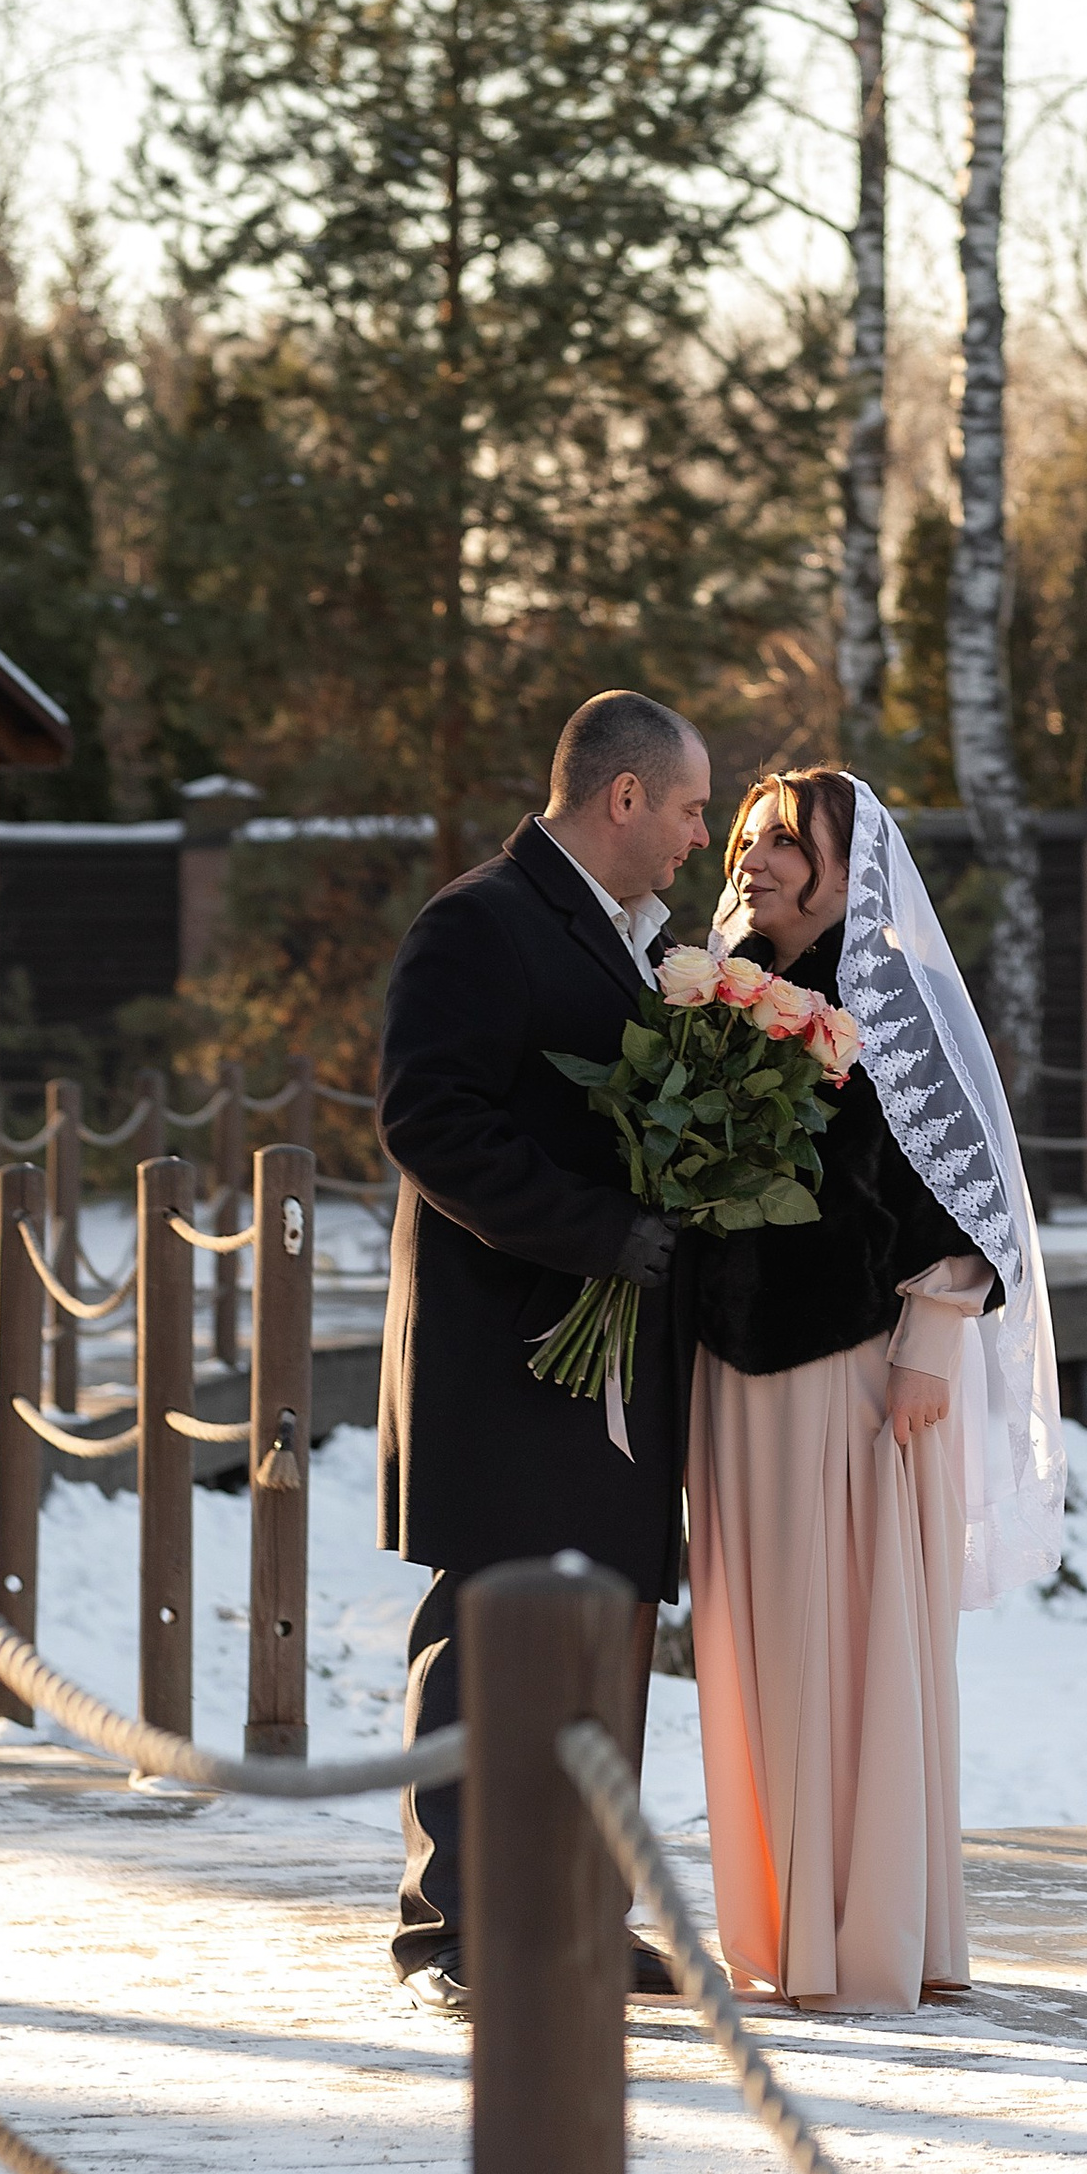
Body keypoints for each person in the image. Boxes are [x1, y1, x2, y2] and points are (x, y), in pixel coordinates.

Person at [686, 766, 1065, 2010]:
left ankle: (871, 1936)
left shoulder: (888, 999)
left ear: (848, 871)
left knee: (856, 1648)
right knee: (757, 1649)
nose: (753, 859)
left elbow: (970, 1198)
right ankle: (783, 1931)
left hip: (857, 1376)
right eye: (747, 838)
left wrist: (930, 1346)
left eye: (786, 842)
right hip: (732, 1378)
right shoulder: (717, 991)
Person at [376, 690, 713, 2011]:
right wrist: (601, 1234)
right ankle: (449, 1931)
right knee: (484, 1633)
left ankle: (577, 1911)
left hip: (618, 1361)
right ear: (623, 797)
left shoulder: (649, 943)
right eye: (688, 807)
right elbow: (430, 1119)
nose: (699, 836)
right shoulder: (479, 921)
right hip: (510, 1349)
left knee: (602, 1633)